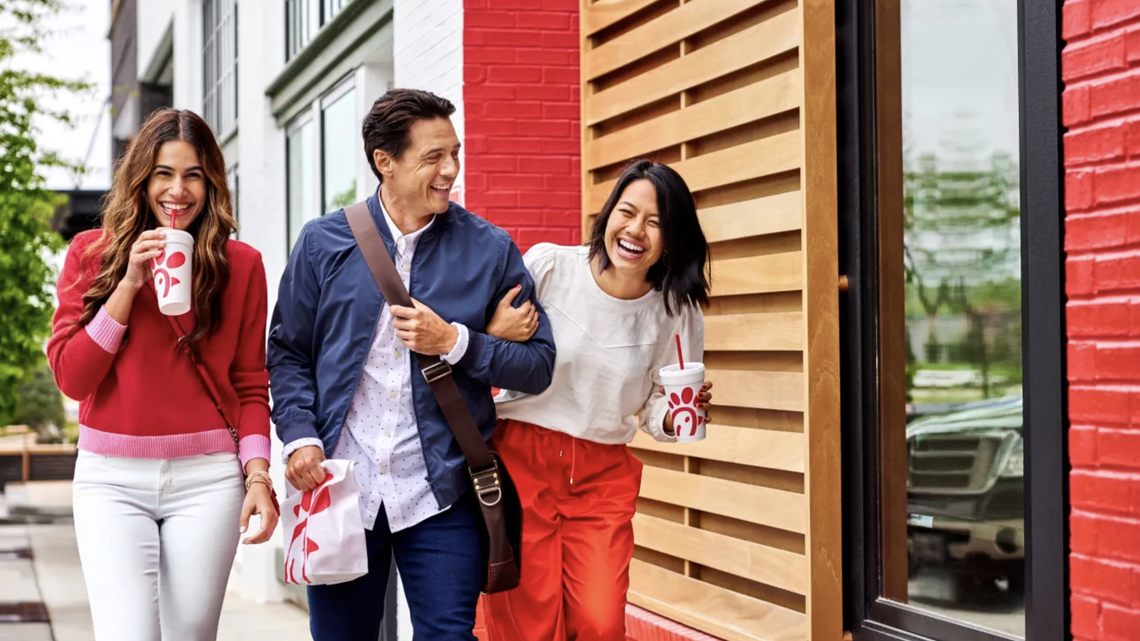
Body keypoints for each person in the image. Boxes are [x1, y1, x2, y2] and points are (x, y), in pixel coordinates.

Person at [266, 88, 557, 641]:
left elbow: (538, 366)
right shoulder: (322, 243)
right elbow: (287, 352)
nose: (451, 170)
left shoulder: (490, 250)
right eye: (433, 157)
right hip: (341, 489)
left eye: (456, 153)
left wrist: (457, 341)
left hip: (441, 490)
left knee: (449, 636)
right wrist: (300, 435)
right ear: (385, 162)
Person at [47, 108, 278, 641]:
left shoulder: (240, 266)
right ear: (141, 179)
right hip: (111, 480)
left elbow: (249, 383)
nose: (179, 190)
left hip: (208, 481)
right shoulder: (92, 255)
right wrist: (126, 285)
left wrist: (259, 476)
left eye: (193, 174)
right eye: (163, 174)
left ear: (212, 181)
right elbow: (73, 379)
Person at [481, 160, 714, 641]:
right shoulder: (549, 267)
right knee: (527, 623)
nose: (636, 230)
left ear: (673, 238)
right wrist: (494, 333)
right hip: (521, 458)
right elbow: (487, 344)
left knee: (601, 622)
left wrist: (674, 417)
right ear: (608, 214)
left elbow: (655, 407)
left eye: (656, 223)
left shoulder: (675, 311)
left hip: (601, 472)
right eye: (627, 212)